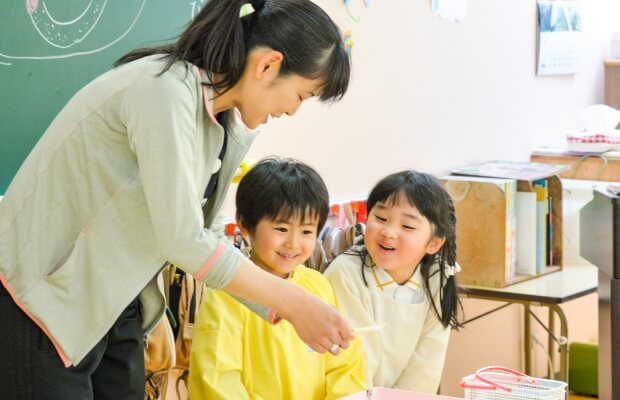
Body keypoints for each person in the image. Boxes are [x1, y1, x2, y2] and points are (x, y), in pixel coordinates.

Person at [0, 0, 353, 398]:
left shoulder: (217, 123)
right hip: (43, 302)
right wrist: (290, 301)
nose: (292, 110)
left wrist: (283, 307)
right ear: (268, 65)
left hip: (114, 304)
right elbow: (183, 239)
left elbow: (208, 237)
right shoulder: (163, 90)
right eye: (302, 96)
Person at [188, 157, 366, 399]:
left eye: (306, 231)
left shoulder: (318, 285)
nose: (293, 243)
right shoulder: (228, 291)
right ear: (245, 225)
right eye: (281, 229)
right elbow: (218, 378)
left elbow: (345, 366)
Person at [324, 171, 462, 394]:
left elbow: (425, 368)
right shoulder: (347, 274)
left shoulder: (439, 277)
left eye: (407, 226)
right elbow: (352, 366)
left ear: (434, 243)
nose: (388, 232)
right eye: (380, 218)